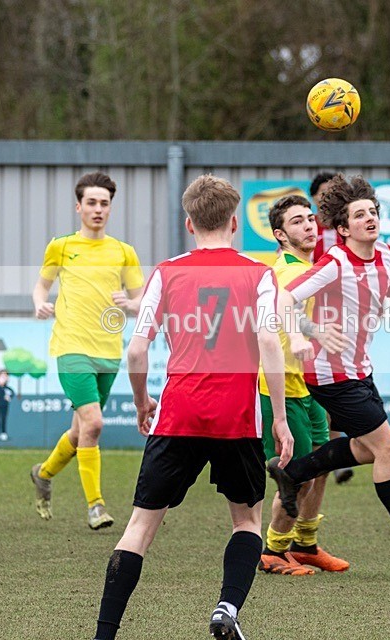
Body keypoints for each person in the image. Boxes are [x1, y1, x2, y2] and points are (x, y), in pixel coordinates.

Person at [92, 174, 293, 640]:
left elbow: (136, 351)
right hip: (236, 417)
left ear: (189, 223)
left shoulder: (167, 272)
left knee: (139, 528)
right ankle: (226, 609)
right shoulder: (259, 273)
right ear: (234, 222)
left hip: (178, 412)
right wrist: (280, 418)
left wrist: (142, 402)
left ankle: (104, 635)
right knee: (247, 521)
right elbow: (269, 342)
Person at [269, 174, 390, 566]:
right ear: (343, 229)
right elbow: (284, 299)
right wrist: (308, 333)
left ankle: (294, 471)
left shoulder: (388, 256)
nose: (370, 218)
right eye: (359, 215)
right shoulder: (335, 262)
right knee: (388, 447)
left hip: (359, 371)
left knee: (364, 449)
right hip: (329, 375)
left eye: (372, 211)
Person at [30, 171, 144, 530]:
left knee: (81, 432)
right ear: (78, 207)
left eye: (104, 203)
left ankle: (43, 473)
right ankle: (96, 506)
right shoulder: (61, 246)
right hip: (71, 347)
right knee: (94, 423)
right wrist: (39, 303)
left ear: (110, 208)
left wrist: (130, 303)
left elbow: (141, 300)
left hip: (108, 352)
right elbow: (41, 285)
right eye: (91, 202)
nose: (98, 209)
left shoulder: (123, 252)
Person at [257, 194, 350, 576]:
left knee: (321, 465)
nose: (309, 225)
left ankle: (306, 543)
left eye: (310, 218)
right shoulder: (286, 271)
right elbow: (284, 311)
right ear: (280, 235)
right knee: (297, 474)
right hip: (283, 384)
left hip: (309, 383)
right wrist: (305, 334)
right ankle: (272, 551)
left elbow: (298, 314)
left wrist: (317, 331)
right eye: (297, 221)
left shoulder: (308, 268)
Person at [310, 171, 353, 485]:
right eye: (324, 193)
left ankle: (332, 453)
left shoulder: (345, 230)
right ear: (314, 198)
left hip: (342, 317)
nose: (329, 199)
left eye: (334, 193)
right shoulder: (305, 228)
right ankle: (324, 455)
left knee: (337, 384)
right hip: (309, 318)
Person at [0, 368, 15, 442]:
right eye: (1, 377)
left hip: (4, 406)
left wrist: (9, 397)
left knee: (3, 419)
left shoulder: (7, 389)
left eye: (4, 377)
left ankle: (3, 432)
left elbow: (12, 393)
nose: (2, 379)